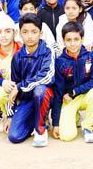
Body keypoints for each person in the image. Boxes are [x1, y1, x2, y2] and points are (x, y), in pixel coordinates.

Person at [5, 14, 56, 147]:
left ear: (41, 33)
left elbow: (47, 77)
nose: (30, 36)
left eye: (34, 32)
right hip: (27, 100)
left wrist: (21, 86)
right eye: (25, 32)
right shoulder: (17, 57)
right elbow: (12, 87)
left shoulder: (48, 52)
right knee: (14, 136)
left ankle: (41, 130)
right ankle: (36, 120)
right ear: (19, 34)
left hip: (46, 96)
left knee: (40, 90)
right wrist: (10, 115)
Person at [51, 22, 93, 142]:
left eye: (76, 39)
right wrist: (56, 123)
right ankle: (74, 116)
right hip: (69, 99)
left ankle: (88, 127)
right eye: (68, 40)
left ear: (82, 39)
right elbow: (58, 91)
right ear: (63, 41)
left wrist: (75, 91)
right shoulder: (60, 61)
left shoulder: (91, 54)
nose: (72, 43)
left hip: (86, 95)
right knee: (66, 136)